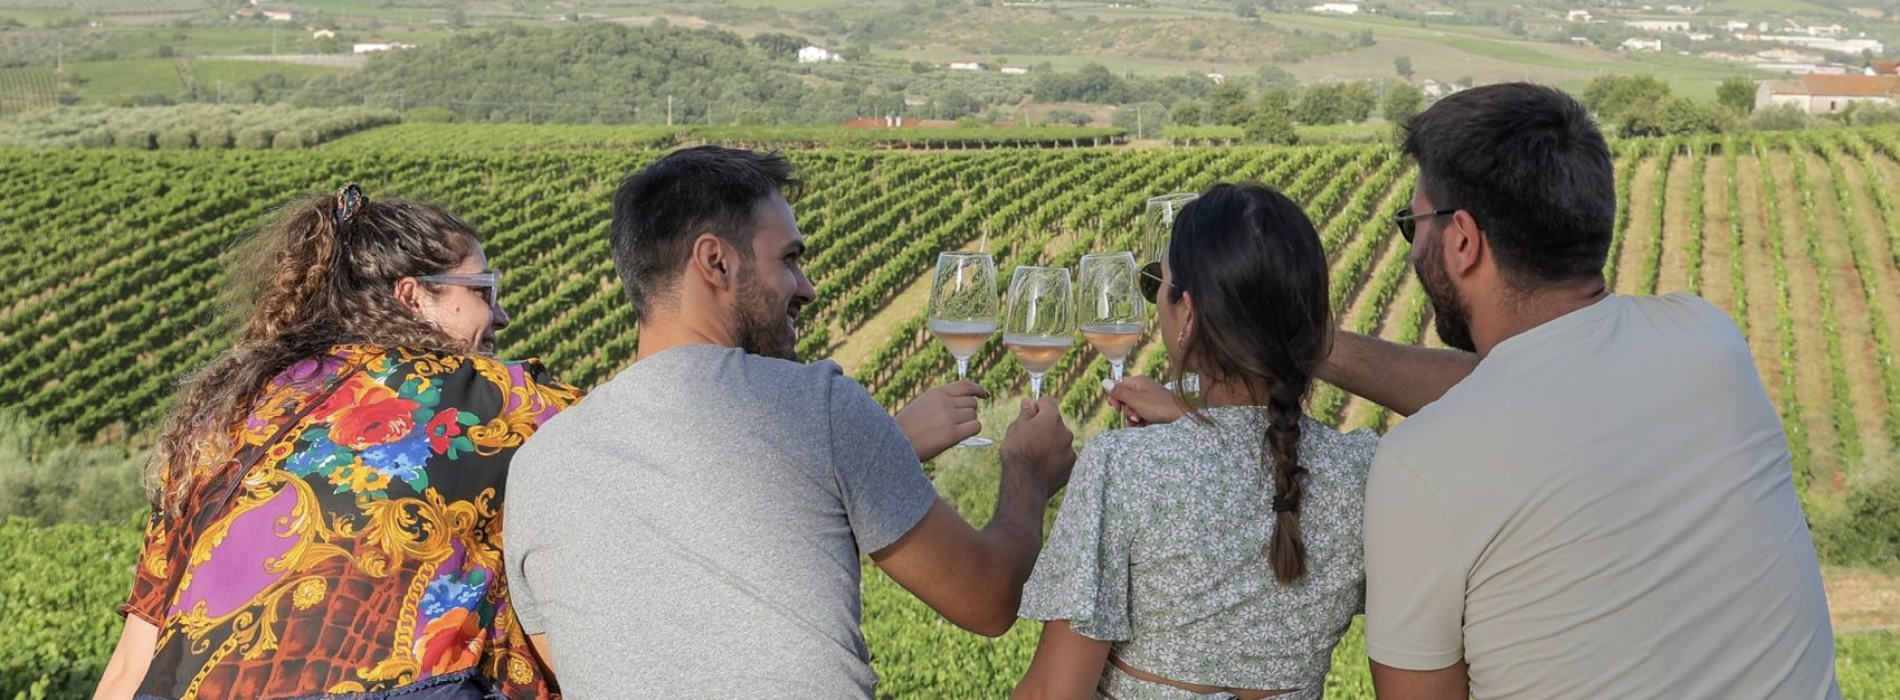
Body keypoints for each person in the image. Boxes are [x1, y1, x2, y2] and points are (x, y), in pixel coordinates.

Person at [1318, 83, 1839, 699]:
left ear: (1462, 239)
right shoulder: (1707, 340)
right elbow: (1524, 390)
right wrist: (1313, 348)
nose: (1414, 245)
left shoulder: (1421, 467)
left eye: (1413, 225)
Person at [501, 146, 1078, 699]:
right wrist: (1028, 473)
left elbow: (573, 659)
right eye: (789, 259)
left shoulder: (539, 464)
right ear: (716, 261)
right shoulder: (819, 407)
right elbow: (989, 598)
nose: (807, 287)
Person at [92, 185, 583, 700]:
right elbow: (622, 439)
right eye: (482, 290)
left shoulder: (226, 416)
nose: (500, 314)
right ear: (413, 296)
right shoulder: (502, 400)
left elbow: (132, 663)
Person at [1012, 183, 1380, 700]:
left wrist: (1025, 470)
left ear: (1187, 313)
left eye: (1157, 286)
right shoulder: (1364, 470)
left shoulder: (1125, 469)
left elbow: (1052, 695)